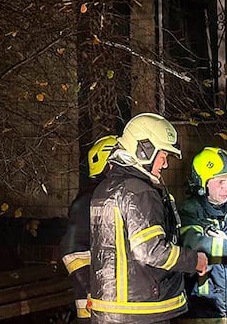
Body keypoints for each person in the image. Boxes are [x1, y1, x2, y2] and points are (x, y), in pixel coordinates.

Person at [89, 113, 208, 324]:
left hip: (109, 309)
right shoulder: (139, 192)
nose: (165, 164)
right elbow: (151, 251)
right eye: (163, 155)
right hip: (140, 311)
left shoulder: (105, 189)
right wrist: (193, 260)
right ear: (145, 150)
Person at [177, 147, 227, 324]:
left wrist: (224, 242)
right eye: (220, 182)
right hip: (205, 310)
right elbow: (195, 244)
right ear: (202, 182)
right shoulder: (189, 211)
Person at [61, 135, 117, 323]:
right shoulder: (88, 201)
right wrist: (94, 288)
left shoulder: (114, 198)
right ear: (107, 165)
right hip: (94, 309)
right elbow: (73, 253)